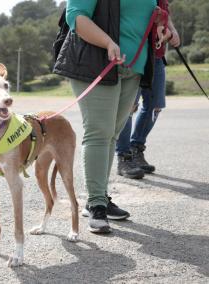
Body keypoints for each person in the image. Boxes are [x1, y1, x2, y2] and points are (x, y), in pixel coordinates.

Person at [54, 0, 157, 233]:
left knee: (112, 134)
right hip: (96, 61)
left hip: (134, 67)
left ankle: (101, 197)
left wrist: (163, 25)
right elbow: (77, 16)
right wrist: (108, 42)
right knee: (99, 133)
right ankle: (96, 203)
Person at [116, 8, 181, 179]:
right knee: (128, 106)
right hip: (135, 52)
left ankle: (136, 148)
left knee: (156, 106)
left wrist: (172, 30)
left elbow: (165, 11)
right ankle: (124, 156)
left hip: (157, 56)